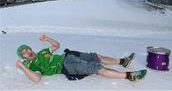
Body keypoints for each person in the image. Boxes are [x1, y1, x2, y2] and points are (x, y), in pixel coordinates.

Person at [16, 34, 147, 82]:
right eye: (24, 53)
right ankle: (129, 76)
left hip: (68, 55)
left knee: (95, 56)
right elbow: (36, 78)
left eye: (27, 49)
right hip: (66, 67)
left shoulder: (43, 51)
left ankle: (123, 62)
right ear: (24, 58)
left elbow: (56, 46)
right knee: (97, 68)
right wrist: (22, 66)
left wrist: (47, 39)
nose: (27, 52)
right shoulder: (32, 66)